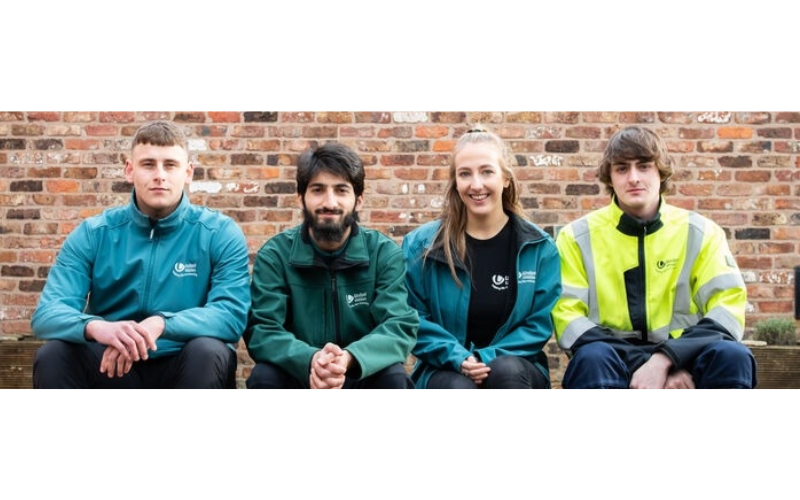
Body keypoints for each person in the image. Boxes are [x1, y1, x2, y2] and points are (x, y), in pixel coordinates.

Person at [30, 121, 251, 389]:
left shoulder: (218, 233)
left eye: (170, 165)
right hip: (110, 363)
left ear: (188, 172)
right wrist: (99, 328)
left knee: (209, 350)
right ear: (129, 170)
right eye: (148, 164)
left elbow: (230, 315)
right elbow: (47, 314)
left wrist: (162, 323)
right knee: (54, 354)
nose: (160, 175)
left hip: (183, 361)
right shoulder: (94, 233)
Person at [551, 125, 756, 389]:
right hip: (612, 359)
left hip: (688, 357)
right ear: (609, 177)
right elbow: (568, 319)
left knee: (733, 355)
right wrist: (644, 364)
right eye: (622, 168)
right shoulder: (576, 238)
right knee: (591, 358)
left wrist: (666, 360)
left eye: (644, 166)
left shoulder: (702, 233)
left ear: (661, 172)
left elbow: (728, 308)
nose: (634, 177)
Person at [244, 141, 419, 389]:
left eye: (341, 190)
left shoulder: (383, 254)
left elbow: (399, 326)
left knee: (394, 377)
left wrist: (347, 359)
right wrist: (312, 360)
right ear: (300, 199)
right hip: (300, 373)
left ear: (358, 200)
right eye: (318, 190)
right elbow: (262, 330)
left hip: (361, 372)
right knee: (264, 375)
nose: (330, 202)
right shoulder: (276, 255)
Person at [401, 126, 561, 389]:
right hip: (441, 369)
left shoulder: (539, 248)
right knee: (457, 387)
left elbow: (538, 325)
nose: (476, 184)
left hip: (517, 367)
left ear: (505, 178)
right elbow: (412, 318)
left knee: (505, 370)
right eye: (465, 174)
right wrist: (459, 358)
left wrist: (482, 358)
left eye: (487, 171)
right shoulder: (421, 246)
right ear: (456, 182)